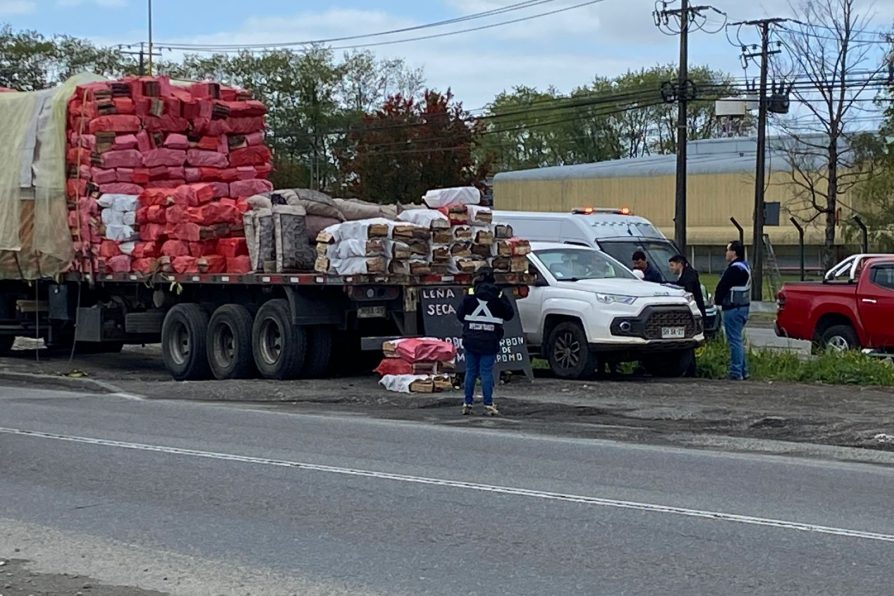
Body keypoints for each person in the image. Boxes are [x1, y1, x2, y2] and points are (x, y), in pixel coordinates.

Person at [456, 267, 515, 416]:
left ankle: (467, 404)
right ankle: (488, 404)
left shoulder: (471, 293)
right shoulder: (499, 294)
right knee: (486, 372)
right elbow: (509, 315)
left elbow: (460, 315)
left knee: (470, 371)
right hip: (490, 340)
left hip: (471, 339)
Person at [714, 240, 751, 380]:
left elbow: (723, 286)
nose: (726, 253)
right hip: (743, 307)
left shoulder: (734, 269)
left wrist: (717, 301)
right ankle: (743, 370)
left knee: (734, 341)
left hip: (732, 308)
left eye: (728, 250)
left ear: (734, 252)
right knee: (738, 340)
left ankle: (736, 372)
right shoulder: (745, 266)